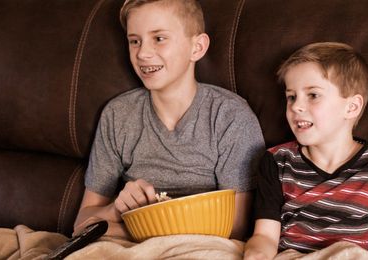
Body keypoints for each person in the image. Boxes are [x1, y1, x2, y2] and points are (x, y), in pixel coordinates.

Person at [73, 0, 265, 241]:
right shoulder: (117, 114)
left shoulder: (230, 116)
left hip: (200, 248)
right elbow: (82, 225)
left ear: (197, 47)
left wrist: (138, 229)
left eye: (159, 38)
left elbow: (234, 228)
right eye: (135, 41)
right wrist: (115, 210)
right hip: (124, 248)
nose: (142, 53)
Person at [244, 42, 368, 260]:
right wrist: (256, 254)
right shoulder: (277, 161)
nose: (296, 106)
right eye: (291, 96)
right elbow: (265, 236)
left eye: (313, 95)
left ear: (351, 107)